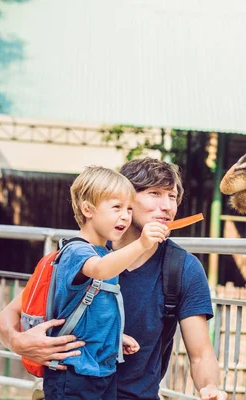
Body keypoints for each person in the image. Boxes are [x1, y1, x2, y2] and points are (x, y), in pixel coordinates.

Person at [0, 158, 226, 400]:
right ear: (124, 194)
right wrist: (19, 343)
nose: (167, 206)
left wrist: (209, 387)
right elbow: (8, 315)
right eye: (154, 193)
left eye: (172, 196)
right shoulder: (84, 254)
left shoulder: (183, 268)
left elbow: (201, 354)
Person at [43, 166, 168, 399]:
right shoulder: (77, 251)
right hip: (73, 374)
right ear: (88, 209)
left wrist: (114, 336)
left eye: (129, 209)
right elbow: (99, 271)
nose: (125, 216)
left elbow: (92, 312)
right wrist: (141, 244)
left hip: (102, 372)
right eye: (116, 207)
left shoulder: (103, 253)